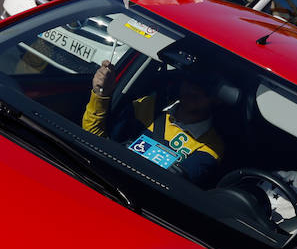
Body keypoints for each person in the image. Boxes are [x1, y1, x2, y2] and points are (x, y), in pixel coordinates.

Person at [82, 60, 225, 185]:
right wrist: (101, 95)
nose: (193, 89)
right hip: (103, 179)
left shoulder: (210, 147)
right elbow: (94, 139)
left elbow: (173, 187)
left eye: (205, 88)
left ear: (218, 98)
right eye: (191, 80)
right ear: (182, 81)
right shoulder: (150, 106)